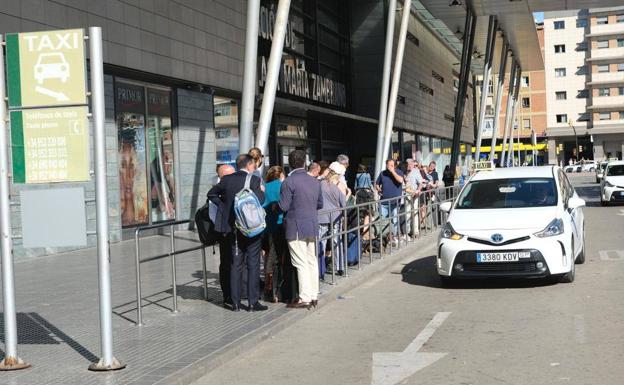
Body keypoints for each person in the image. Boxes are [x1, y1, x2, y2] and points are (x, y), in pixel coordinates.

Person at [207, 154, 267, 312]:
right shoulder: (254, 180)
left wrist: (224, 206)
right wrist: (260, 191)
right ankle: (253, 302)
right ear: (248, 165)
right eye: (253, 165)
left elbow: (211, 194)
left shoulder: (226, 180)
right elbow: (260, 201)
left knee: (236, 265)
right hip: (251, 229)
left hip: (233, 229)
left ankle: (235, 303)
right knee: (253, 264)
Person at [279, 150, 323, 309]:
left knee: (300, 262)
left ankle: (304, 297)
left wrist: (273, 206)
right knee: (312, 260)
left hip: (295, 225)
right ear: (304, 162)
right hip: (311, 224)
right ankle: (313, 294)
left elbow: (283, 206)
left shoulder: (289, 182)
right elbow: (320, 204)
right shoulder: (315, 181)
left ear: (289, 163)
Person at [209, 164, 235, 307]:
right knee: (226, 263)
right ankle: (228, 295)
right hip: (224, 231)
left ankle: (235, 291)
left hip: (236, 230)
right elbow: (213, 214)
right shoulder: (218, 189)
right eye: (229, 175)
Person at [262, 166, 287, 303]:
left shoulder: (264, 187)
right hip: (279, 225)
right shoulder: (283, 186)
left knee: (268, 256)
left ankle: (267, 285)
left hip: (266, 226)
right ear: (281, 174)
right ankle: (276, 289)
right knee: (278, 257)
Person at [319, 164, 347, 277]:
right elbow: (343, 202)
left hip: (321, 217)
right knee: (337, 241)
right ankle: (339, 267)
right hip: (336, 217)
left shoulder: (320, 185)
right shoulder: (335, 187)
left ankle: (321, 268)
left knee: (321, 242)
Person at [375, 159, 404, 246]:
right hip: (384, 201)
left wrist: (393, 172)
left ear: (395, 166)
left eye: (391, 165)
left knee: (394, 220)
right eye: (388, 165)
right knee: (383, 220)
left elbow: (400, 181)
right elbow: (377, 184)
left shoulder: (399, 172)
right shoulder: (382, 173)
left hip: (394, 201)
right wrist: (378, 189)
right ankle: (384, 237)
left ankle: (392, 237)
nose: (389, 166)